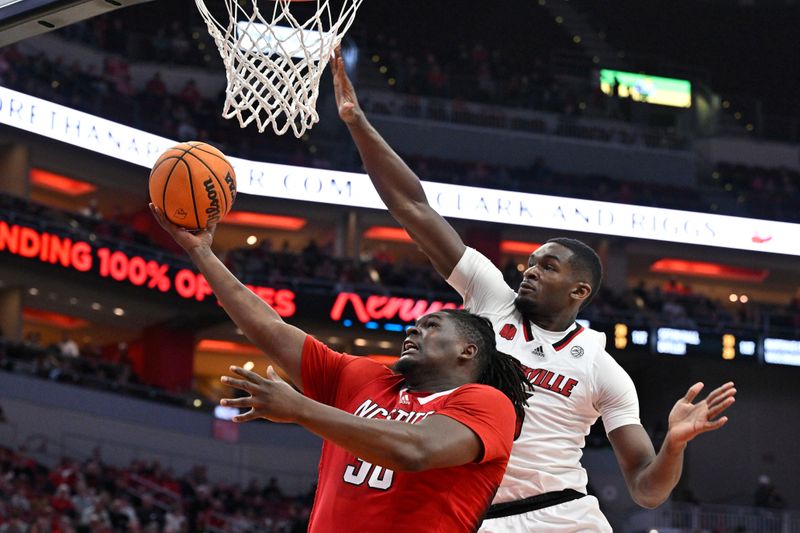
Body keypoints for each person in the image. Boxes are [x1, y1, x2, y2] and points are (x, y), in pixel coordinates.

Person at [330, 47, 737, 532]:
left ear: (579, 290)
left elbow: (646, 490)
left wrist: (673, 445)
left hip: (561, 516)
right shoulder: (488, 299)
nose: (529, 270)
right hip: (470, 515)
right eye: (530, 262)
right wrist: (357, 121)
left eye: (548, 266)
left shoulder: (599, 367)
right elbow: (414, 208)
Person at [150, 204, 531, 532]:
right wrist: (202, 253)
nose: (414, 328)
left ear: (468, 350)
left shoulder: (486, 403)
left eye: (432, 326)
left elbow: (415, 450)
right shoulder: (367, 378)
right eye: (417, 324)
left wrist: (301, 409)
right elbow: (270, 328)